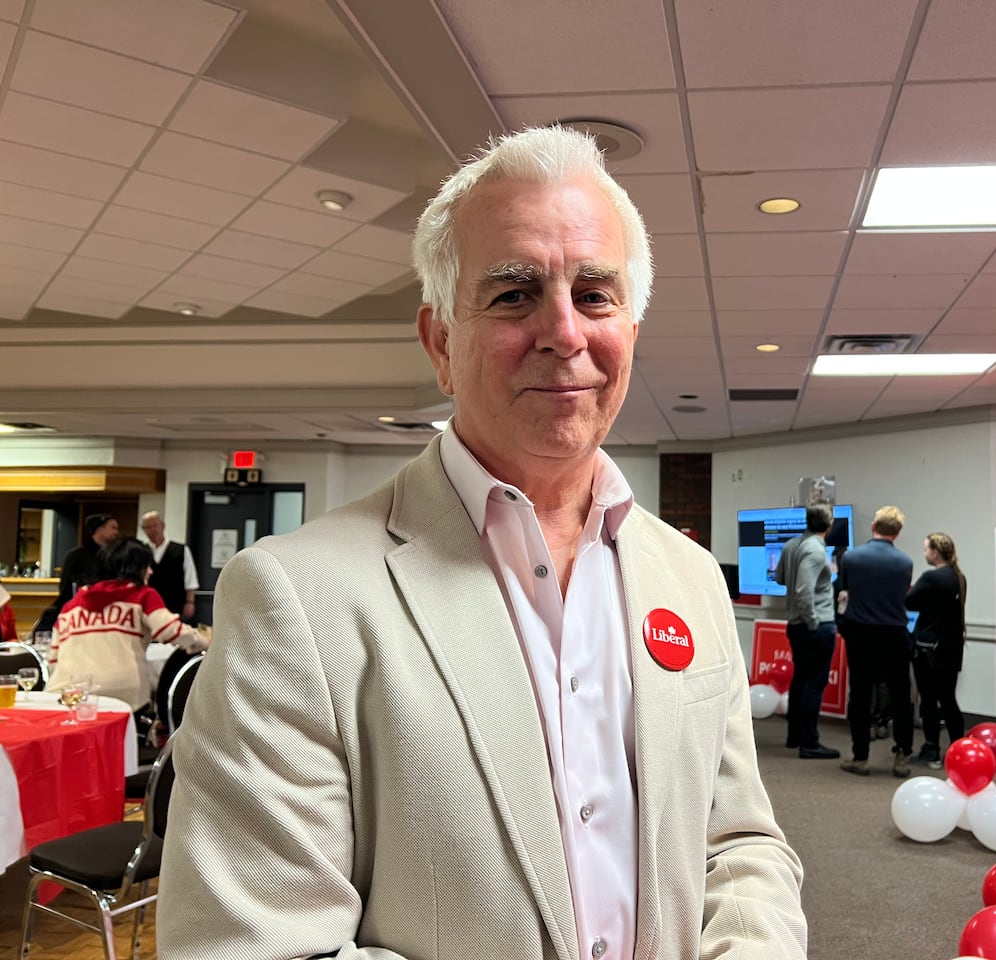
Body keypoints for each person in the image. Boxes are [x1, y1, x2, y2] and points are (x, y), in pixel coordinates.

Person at [159, 126, 806, 960]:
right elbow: (253, 945)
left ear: (632, 329)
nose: (565, 332)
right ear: (439, 344)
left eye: (596, 294)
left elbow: (739, 845)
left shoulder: (688, 577)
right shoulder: (296, 600)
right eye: (513, 294)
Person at [48, 537, 206, 713]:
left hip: (67, 695)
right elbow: (172, 632)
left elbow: (53, 658)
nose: (151, 572)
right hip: (123, 697)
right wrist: (203, 641)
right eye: (147, 566)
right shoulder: (142, 595)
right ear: (135, 568)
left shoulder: (72, 604)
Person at [837, 505, 914, 778]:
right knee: (901, 696)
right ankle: (902, 756)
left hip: (861, 634)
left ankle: (860, 757)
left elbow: (843, 593)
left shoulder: (852, 557)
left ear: (873, 526)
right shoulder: (905, 563)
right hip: (895, 634)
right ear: (898, 532)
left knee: (859, 695)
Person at [774, 503, 839, 759]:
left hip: (796, 625)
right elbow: (804, 591)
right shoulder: (814, 550)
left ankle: (794, 736)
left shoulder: (792, 544)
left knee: (800, 680)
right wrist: (813, 621)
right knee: (814, 683)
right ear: (829, 524)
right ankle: (810, 742)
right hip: (815, 626)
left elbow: (780, 578)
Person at [908, 532, 968, 770]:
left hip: (929, 648)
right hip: (952, 647)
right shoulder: (959, 576)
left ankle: (931, 750)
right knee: (948, 699)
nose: (924, 553)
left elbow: (909, 603)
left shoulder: (931, 578)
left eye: (926, 549)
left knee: (929, 701)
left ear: (935, 552)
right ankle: (959, 750)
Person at [53, 513, 118, 614]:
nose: (116, 532)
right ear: (100, 529)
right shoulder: (76, 556)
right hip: (80, 609)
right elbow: (65, 587)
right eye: (113, 528)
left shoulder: (115, 556)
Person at [139, 511, 199, 622]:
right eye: (147, 527)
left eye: (155, 525)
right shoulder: (141, 551)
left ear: (162, 526)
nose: (152, 530)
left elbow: (190, 579)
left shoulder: (181, 550)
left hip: (175, 603)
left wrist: (190, 602)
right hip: (149, 605)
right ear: (144, 530)